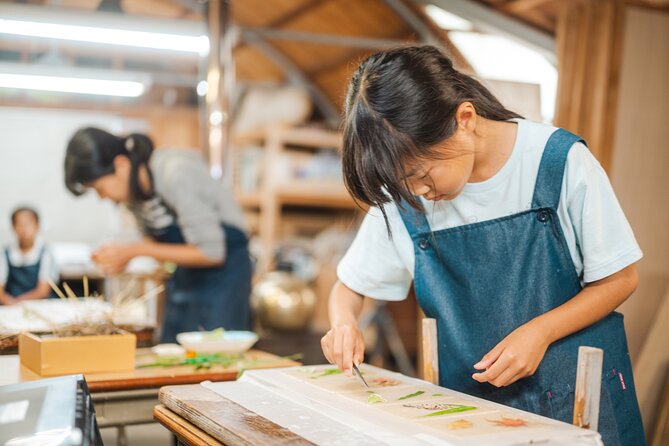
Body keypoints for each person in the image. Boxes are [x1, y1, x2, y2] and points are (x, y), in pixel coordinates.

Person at [320, 46, 645, 446]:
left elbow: (621, 278)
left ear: (465, 119)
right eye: (405, 185)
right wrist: (344, 325)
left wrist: (540, 332)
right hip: (471, 416)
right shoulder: (408, 194)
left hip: (577, 407)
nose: (418, 193)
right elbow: (349, 288)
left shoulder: (558, 161)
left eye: (423, 175)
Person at [64, 128, 252, 342]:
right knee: (174, 350)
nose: (101, 197)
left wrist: (135, 250)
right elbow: (158, 245)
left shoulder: (176, 172)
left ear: (121, 165)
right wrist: (122, 256)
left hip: (224, 276)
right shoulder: (134, 195)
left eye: (98, 188)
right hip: (186, 276)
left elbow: (212, 252)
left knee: (216, 357)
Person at [0, 207, 58, 305]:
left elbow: (43, 290)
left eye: (28, 224)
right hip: (10, 305)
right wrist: (10, 302)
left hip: (39, 305)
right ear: (13, 227)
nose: (24, 229)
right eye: (20, 224)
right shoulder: (5, 253)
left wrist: (19, 302)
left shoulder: (45, 253)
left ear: (37, 226)